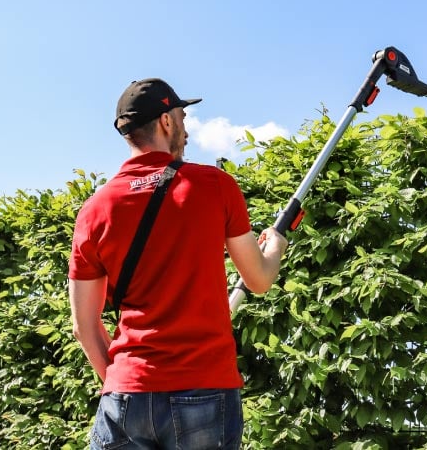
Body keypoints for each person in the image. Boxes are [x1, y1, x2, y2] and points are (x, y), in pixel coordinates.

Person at [68, 77, 288, 449]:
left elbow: (83, 326)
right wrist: (276, 245)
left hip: (125, 393)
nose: (186, 130)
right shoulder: (214, 186)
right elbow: (259, 279)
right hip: (204, 389)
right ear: (167, 122)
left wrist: (122, 383)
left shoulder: (94, 210)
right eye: (183, 117)